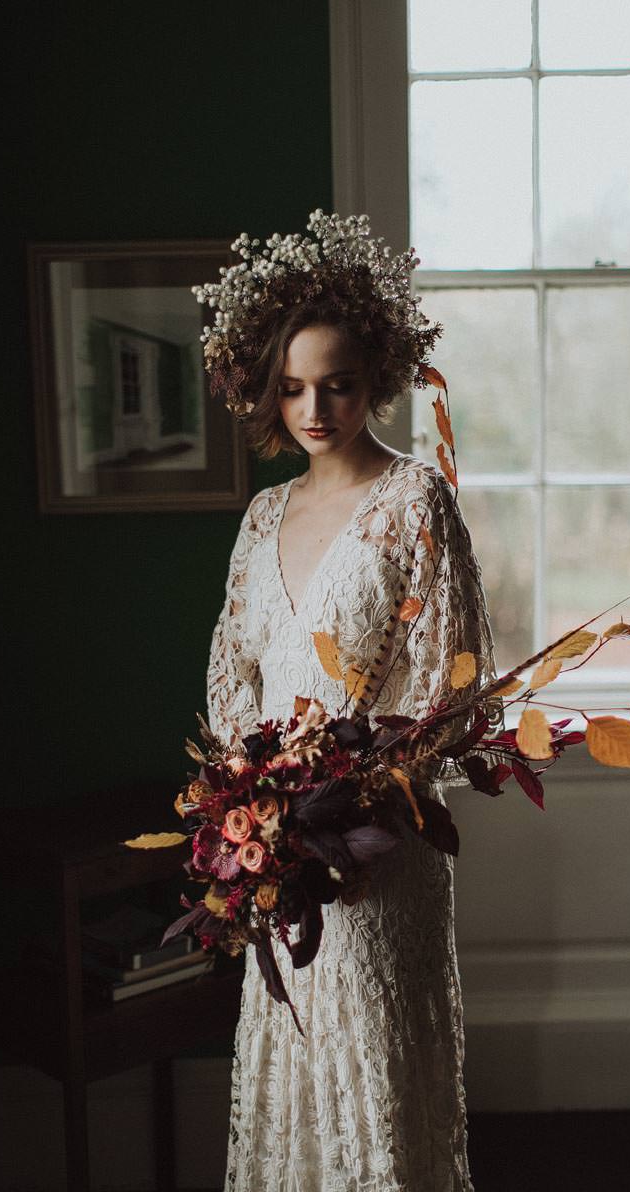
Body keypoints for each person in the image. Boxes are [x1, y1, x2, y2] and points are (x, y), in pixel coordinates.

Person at [195, 211, 502, 1192]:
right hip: (278, 847)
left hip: (377, 842)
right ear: (262, 386)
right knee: (294, 1050)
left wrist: (355, 798)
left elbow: (449, 692)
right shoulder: (262, 514)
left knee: (372, 1071)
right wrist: (259, 807)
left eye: (335, 383)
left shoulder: (415, 502)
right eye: (291, 388)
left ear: (376, 372)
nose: (314, 407)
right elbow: (231, 682)